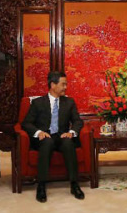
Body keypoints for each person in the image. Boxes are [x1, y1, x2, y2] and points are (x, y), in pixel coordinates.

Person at [21, 71, 85, 203]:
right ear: (53, 85)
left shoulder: (69, 102)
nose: (65, 87)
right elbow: (26, 123)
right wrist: (39, 132)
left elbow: (78, 121)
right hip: (45, 137)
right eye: (63, 84)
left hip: (61, 135)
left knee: (68, 143)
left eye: (66, 84)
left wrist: (71, 132)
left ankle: (74, 184)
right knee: (47, 142)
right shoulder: (38, 103)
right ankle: (41, 185)